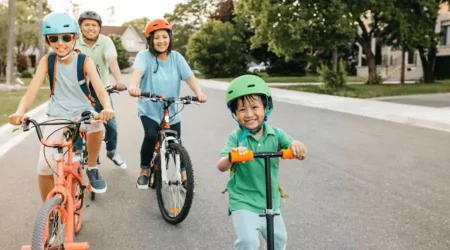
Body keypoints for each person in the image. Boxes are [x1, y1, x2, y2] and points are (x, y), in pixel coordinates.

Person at [8, 12, 115, 200]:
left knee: (97, 125)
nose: (60, 43)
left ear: (74, 37)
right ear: (47, 41)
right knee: (44, 167)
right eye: (53, 38)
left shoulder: (85, 61)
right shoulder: (47, 61)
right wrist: (19, 112)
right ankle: (51, 214)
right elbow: (31, 92)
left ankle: (92, 167)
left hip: (82, 111)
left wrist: (106, 107)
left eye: (66, 37)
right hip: (57, 114)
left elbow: (100, 90)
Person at [217, 75, 307, 250]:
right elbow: (221, 165)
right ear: (235, 114)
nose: (249, 114)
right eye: (242, 109)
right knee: (248, 243)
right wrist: (231, 156)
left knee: (278, 241)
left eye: (255, 107)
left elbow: (293, 146)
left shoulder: (276, 134)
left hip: (270, 200)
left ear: (266, 108)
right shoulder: (235, 138)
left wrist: (296, 146)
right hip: (243, 200)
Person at [128, 18, 207, 189]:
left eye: (164, 36)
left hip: (172, 109)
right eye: (156, 38)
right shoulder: (144, 56)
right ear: (150, 40)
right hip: (149, 107)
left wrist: (198, 93)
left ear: (170, 38)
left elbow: (189, 77)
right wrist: (134, 86)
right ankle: (144, 171)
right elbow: (137, 72)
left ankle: (185, 174)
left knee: (176, 141)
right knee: (150, 136)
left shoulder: (177, 57)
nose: (161, 41)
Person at [75, 10, 128, 169]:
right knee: (78, 122)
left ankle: (112, 152)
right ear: (80, 27)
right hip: (79, 90)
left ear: (99, 28)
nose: (90, 28)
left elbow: (112, 61)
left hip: (101, 90)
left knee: (111, 125)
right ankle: (77, 152)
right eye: (87, 25)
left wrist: (119, 81)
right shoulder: (74, 41)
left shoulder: (106, 42)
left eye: (94, 25)